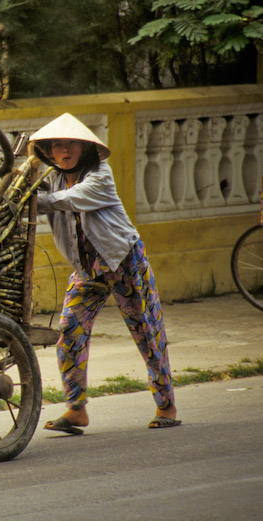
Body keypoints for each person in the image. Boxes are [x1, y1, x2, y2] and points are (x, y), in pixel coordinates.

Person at [29, 113, 181, 435]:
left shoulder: (100, 175)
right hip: (87, 270)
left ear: (84, 148)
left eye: (70, 144)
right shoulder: (53, 179)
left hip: (124, 262)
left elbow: (70, 201)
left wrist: (36, 202)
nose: (64, 150)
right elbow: (33, 191)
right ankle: (76, 409)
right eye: (57, 145)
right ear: (50, 152)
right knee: (69, 330)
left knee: (147, 332)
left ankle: (166, 404)